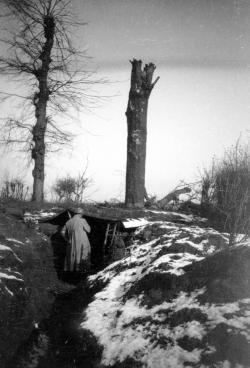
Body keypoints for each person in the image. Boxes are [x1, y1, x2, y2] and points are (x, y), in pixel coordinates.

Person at [62, 208, 91, 273]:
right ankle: (82, 273)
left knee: (72, 257)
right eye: (82, 214)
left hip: (71, 243)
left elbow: (62, 232)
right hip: (82, 243)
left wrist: (67, 239)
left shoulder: (68, 222)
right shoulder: (82, 220)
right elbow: (88, 230)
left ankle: (72, 273)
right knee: (82, 256)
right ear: (80, 214)